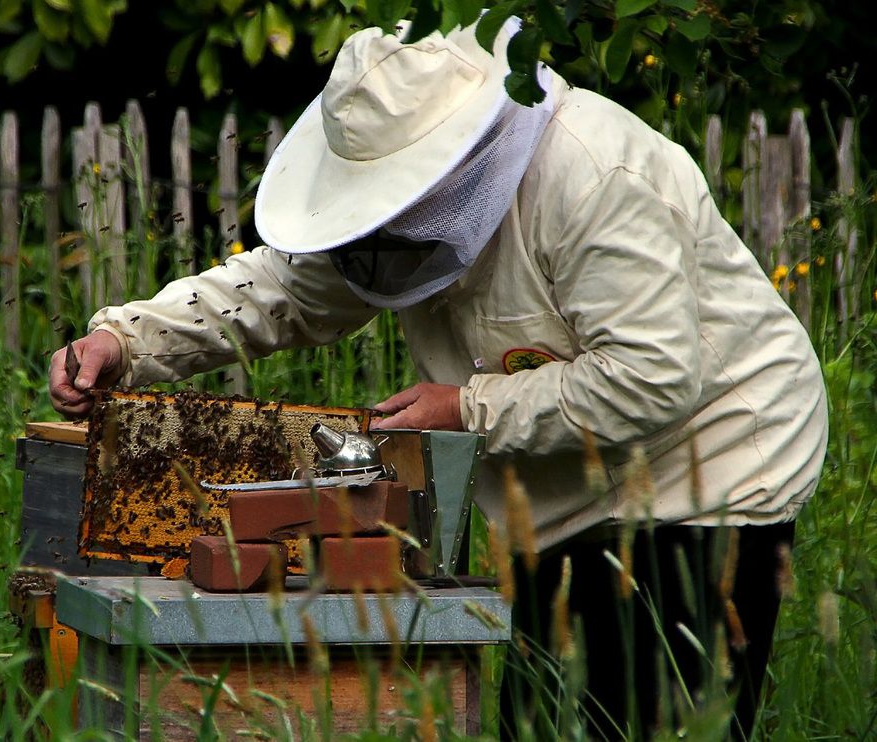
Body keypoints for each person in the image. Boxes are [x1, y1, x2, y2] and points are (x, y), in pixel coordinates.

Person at [49, 15, 827, 740]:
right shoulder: (412, 218)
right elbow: (286, 289)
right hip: (559, 488)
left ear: (458, 154)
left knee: (651, 717)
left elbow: (652, 377)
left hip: (711, 470)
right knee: (544, 717)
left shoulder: (594, 174)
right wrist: (130, 340)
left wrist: (466, 407)